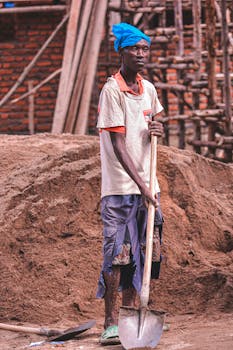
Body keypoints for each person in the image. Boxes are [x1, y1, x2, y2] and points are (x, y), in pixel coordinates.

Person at [96, 22, 164, 345]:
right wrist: (141, 185)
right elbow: (118, 146)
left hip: (148, 187)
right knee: (117, 256)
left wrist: (157, 128)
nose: (141, 54)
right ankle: (111, 324)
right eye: (135, 49)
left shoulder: (148, 89)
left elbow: (152, 123)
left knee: (144, 256)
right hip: (121, 189)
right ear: (121, 52)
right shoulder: (111, 91)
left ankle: (131, 315)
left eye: (145, 48)